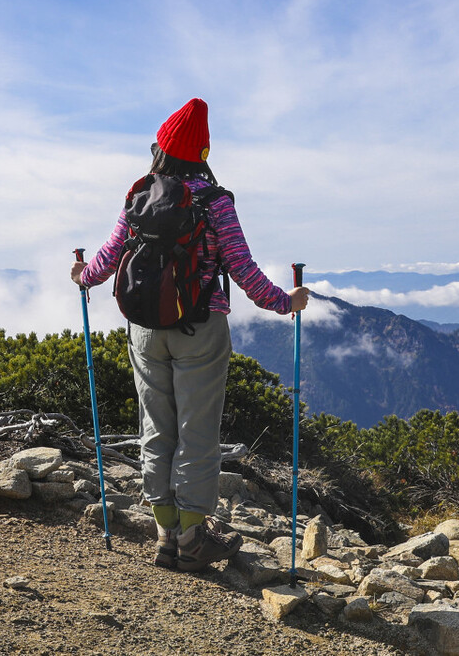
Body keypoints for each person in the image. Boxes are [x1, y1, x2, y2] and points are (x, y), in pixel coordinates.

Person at [70, 98, 309, 572]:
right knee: (196, 434)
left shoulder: (139, 193)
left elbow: (109, 256)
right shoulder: (215, 201)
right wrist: (285, 301)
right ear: (203, 152)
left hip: (143, 329)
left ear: (159, 148)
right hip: (200, 328)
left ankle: (164, 536)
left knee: (156, 429)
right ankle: (192, 540)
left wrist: (84, 275)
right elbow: (241, 267)